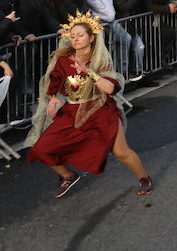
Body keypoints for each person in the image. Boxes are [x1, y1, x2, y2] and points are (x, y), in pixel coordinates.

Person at [23, 14, 152, 198]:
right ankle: (68, 175)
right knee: (42, 148)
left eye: (80, 35)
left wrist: (88, 72)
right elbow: (53, 82)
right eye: (72, 35)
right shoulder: (63, 59)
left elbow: (110, 88)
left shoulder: (100, 60)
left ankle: (144, 177)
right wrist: (52, 98)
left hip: (100, 110)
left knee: (121, 152)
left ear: (91, 38)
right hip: (72, 111)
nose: (75, 39)